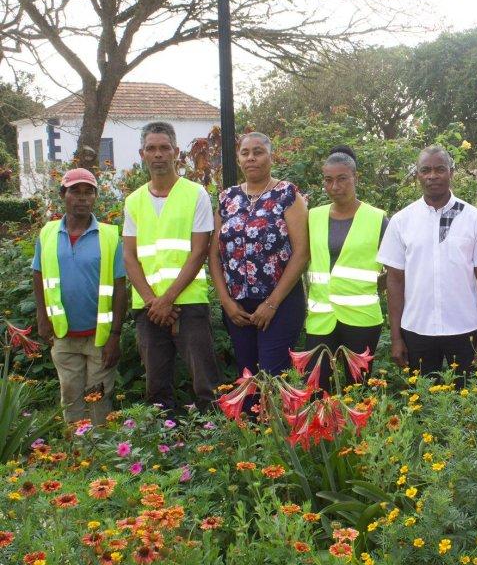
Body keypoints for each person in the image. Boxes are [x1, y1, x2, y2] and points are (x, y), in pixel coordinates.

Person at [378, 146, 477, 379]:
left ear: (451, 173)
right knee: (423, 404)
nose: (432, 175)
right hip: (416, 330)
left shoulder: (475, 220)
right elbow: (394, 281)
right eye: (425, 170)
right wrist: (396, 337)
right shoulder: (401, 221)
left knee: (471, 402)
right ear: (417, 175)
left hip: (467, 331)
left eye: (440, 169)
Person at [123, 121, 221, 412]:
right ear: (142, 154)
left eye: (164, 148)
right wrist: (155, 302)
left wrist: (167, 299)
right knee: (156, 387)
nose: (158, 154)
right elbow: (130, 256)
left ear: (176, 152)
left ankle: (216, 443)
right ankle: (163, 450)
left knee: (206, 384)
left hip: (188, 303)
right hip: (148, 308)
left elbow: (199, 251)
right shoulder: (134, 201)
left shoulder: (195, 194)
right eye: (151, 149)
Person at [209, 132, 309, 378]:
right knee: (247, 378)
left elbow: (302, 253)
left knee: (272, 377)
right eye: (245, 153)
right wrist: (227, 303)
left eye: (258, 152)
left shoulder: (287, 194)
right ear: (239, 159)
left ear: (270, 157)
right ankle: (248, 419)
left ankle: (273, 418)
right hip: (237, 309)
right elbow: (214, 255)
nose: (251, 158)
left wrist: (272, 303)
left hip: (280, 303)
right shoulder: (227, 198)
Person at [32, 168, 126, 424]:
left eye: (89, 192)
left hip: (100, 336)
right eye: (75, 191)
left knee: (98, 399)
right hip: (63, 335)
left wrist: (115, 336)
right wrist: (42, 315)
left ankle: (100, 457)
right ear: (63, 194)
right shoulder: (48, 233)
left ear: (95, 197)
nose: (82, 198)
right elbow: (38, 274)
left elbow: (120, 287)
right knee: (70, 396)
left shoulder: (109, 236)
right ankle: (76, 454)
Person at [304, 146, 386, 389]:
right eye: (328, 180)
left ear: (355, 178)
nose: (334, 187)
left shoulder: (378, 218)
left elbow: (394, 272)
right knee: (316, 388)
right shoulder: (312, 217)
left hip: (362, 319)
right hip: (320, 318)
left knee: (357, 387)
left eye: (342, 179)